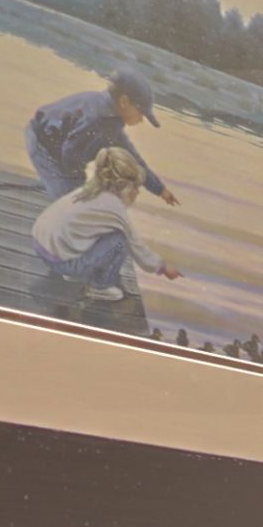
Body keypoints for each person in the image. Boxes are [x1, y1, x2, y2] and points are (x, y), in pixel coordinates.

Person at [24, 147, 172, 332]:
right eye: (136, 188)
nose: (137, 193)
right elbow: (137, 247)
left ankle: (72, 269)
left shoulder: (88, 191)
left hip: (42, 246)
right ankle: (100, 287)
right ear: (124, 187)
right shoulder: (114, 207)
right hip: (61, 261)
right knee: (119, 240)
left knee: (98, 230)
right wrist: (162, 267)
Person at [25, 71, 175, 204]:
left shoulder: (110, 118)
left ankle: (54, 187)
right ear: (124, 101)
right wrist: (79, 186)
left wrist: (159, 189)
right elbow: (70, 153)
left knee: (76, 193)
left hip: (55, 146)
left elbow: (133, 158)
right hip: (42, 144)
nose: (141, 119)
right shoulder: (99, 119)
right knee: (70, 199)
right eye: (140, 113)